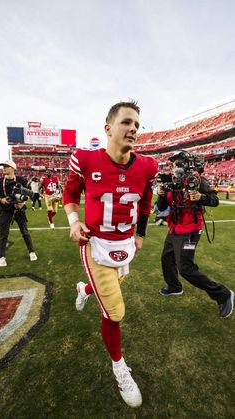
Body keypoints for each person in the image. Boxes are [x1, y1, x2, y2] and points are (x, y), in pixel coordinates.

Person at [63, 101, 158, 408]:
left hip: (125, 245)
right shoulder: (86, 159)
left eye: (137, 125)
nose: (133, 129)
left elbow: (145, 202)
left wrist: (140, 233)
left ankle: (84, 288)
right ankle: (119, 366)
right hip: (96, 245)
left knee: (112, 289)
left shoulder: (147, 166)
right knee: (114, 312)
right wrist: (74, 221)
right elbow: (69, 192)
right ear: (108, 128)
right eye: (127, 122)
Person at [156, 150, 234, 318]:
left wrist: (200, 197)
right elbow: (162, 208)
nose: (175, 166)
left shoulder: (198, 181)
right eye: (173, 163)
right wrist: (161, 195)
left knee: (186, 268)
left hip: (191, 230)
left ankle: (223, 294)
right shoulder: (170, 182)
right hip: (174, 228)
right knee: (166, 258)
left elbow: (215, 201)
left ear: (186, 163)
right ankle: (174, 286)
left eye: (178, 162)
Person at [0, 160, 37, 267]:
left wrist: (22, 203)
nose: (4, 168)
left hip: (19, 210)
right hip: (5, 210)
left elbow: (28, 194)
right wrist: (1, 200)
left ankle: (31, 251)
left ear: (13, 168)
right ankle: (1, 256)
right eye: (3, 166)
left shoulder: (21, 180)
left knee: (25, 232)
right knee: (3, 234)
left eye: (6, 166)